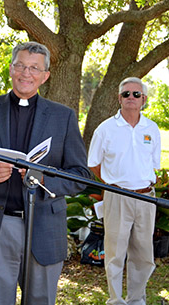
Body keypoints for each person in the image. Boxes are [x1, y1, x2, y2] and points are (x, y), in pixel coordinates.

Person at [0, 41, 89, 305]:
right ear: (11, 68)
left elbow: (80, 175)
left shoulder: (62, 116)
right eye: (20, 65)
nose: (26, 73)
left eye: (34, 68)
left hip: (44, 223)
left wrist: (44, 178)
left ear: (45, 75)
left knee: (40, 301)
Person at [88, 77, 160, 305]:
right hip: (118, 197)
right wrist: (113, 183)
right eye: (126, 94)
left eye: (136, 94)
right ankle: (116, 300)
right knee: (115, 253)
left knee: (143, 254)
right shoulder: (106, 129)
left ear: (144, 100)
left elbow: (154, 165)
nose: (131, 97)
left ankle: (136, 299)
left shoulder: (152, 128)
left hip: (146, 197)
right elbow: (93, 163)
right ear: (119, 98)